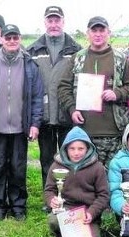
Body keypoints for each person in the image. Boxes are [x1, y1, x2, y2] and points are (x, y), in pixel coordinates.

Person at [0, 24, 43, 221]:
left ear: (20, 39)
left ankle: (18, 206)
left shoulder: (30, 64)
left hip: (21, 128)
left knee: (18, 168)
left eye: (15, 38)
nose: (12, 41)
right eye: (8, 38)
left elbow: (37, 97)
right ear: (1, 39)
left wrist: (35, 124)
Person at [57, 16, 129, 168]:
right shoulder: (77, 59)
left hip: (114, 133)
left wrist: (117, 93)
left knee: (113, 178)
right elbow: (63, 87)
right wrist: (72, 109)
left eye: (102, 30)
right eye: (94, 30)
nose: (98, 34)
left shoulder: (120, 59)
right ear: (87, 33)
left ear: (109, 33)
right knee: (86, 179)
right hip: (84, 133)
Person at [27, 5, 82, 213]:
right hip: (44, 116)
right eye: (50, 20)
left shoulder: (76, 49)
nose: (53, 24)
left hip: (68, 114)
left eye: (57, 20)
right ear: (45, 22)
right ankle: (49, 199)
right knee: (46, 160)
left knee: (71, 157)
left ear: (63, 21)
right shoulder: (33, 49)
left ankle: (71, 197)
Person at [44, 126, 109, 237]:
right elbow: (49, 190)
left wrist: (91, 213)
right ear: (65, 149)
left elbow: (103, 195)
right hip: (66, 210)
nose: (76, 153)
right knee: (54, 220)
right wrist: (52, 201)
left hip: (87, 214)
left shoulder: (97, 168)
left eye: (81, 149)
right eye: (72, 148)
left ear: (88, 148)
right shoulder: (56, 165)